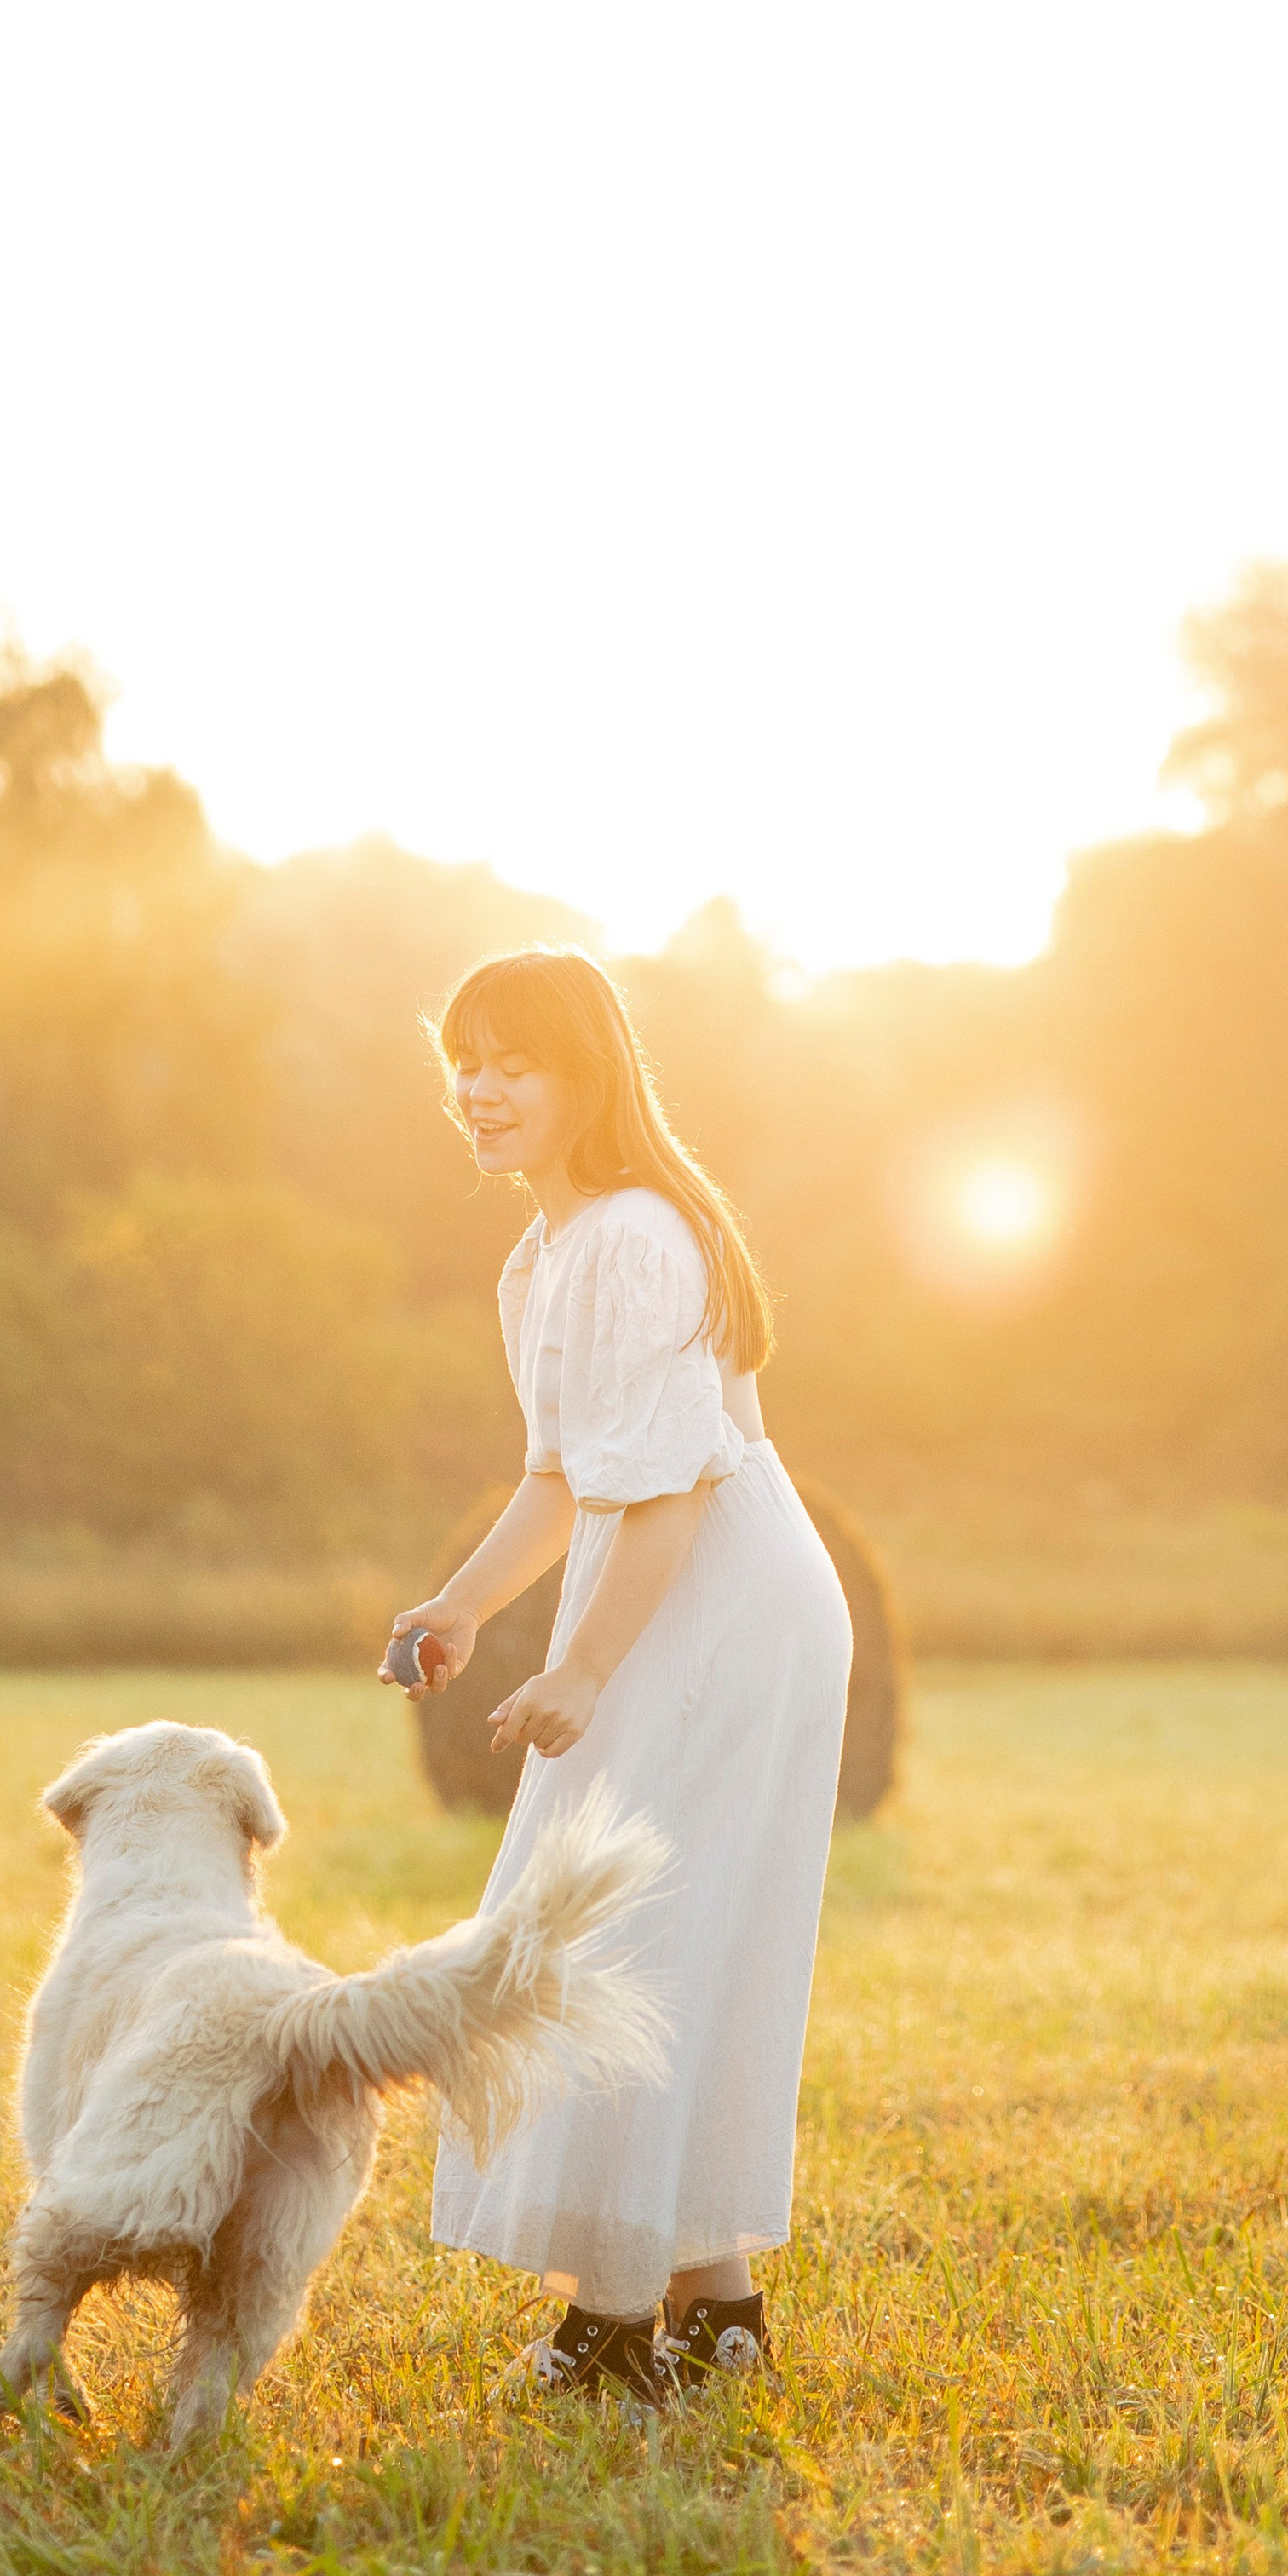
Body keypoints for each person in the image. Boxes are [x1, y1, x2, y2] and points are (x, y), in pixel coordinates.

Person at [382, 945, 852, 2407]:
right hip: (668, 1583)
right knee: (641, 1931)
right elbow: (556, 1483)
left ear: (591, 1072)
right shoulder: (545, 1255)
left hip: (720, 1597)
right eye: (465, 1058)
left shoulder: (641, 1238)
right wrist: (459, 1607)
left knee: (630, 1945)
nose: (481, 1088)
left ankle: (613, 2330)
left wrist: (583, 1666)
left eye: (515, 1060)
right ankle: (720, 2316)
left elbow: (667, 1497)